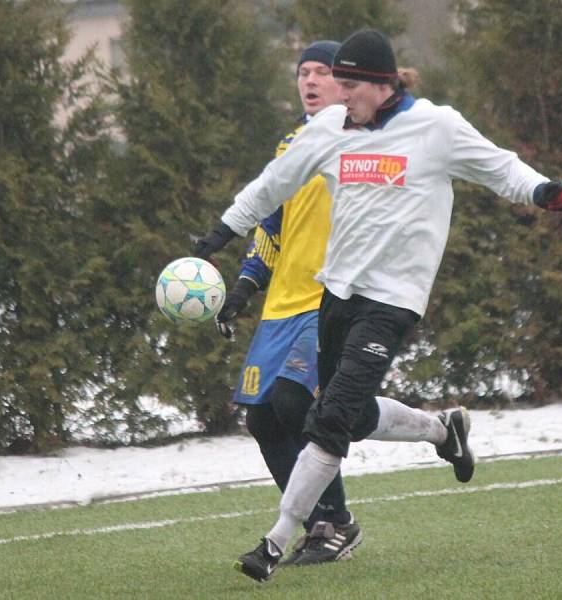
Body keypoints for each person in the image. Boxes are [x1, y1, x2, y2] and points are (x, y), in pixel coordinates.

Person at [194, 28, 562, 582]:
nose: (338, 92)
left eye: (348, 84)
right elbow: (272, 185)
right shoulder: (329, 129)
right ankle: (443, 431)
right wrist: (221, 232)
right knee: (336, 411)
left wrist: (544, 190)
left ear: (382, 83)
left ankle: (275, 543)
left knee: (328, 419)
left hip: (393, 303)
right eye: (336, 83)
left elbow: (501, 167)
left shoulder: (436, 127)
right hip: (337, 294)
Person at [215, 40, 362, 566]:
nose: (311, 80)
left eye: (323, 71)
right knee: (262, 419)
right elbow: (270, 225)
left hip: (330, 297)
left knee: (297, 403)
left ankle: (334, 521)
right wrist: (244, 286)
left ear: (345, 81)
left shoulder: (362, 139)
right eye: (304, 72)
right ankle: (322, 517)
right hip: (282, 303)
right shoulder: (289, 146)